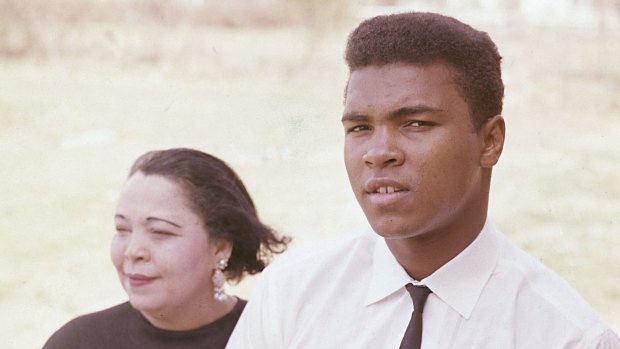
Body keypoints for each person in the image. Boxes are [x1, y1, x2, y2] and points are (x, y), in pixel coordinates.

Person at [226, 12, 620, 348]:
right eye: (360, 127)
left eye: (416, 123)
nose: (379, 152)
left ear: (490, 141)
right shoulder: (292, 295)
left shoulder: (565, 336)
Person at [43, 148, 289, 349]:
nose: (133, 251)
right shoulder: (77, 342)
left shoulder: (275, 339)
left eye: (160, 232)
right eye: (122, 229)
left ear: (220, 247)